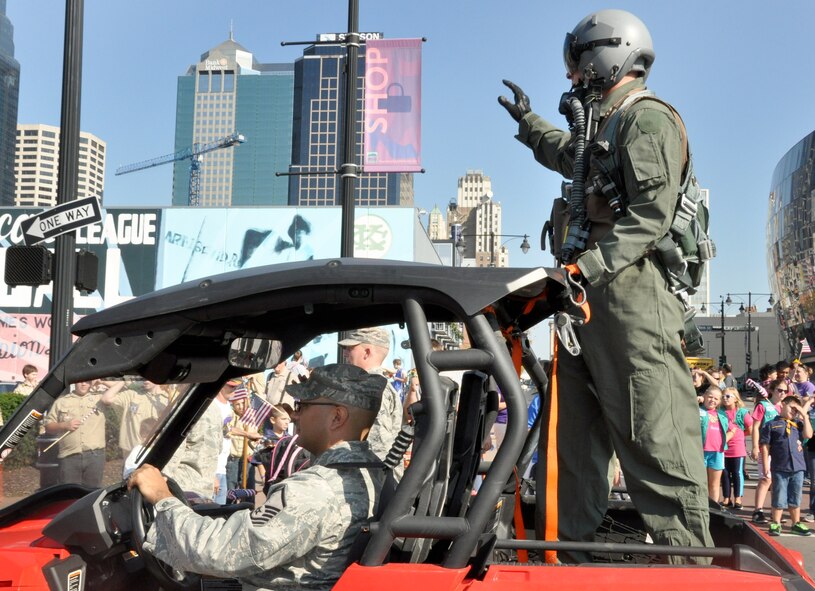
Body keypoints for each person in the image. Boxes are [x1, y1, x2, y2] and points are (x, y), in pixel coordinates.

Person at [498, 8, 712, 560]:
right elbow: (570, 158)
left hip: (631, 296)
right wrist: (529, 123)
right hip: (584, 300)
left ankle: (688, 559)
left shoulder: (648, 119)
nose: (572, 77)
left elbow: (650, 216)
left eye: (578, 65)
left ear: (605, 57)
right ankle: (567, 555)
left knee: (652, 431)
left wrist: (585, 269)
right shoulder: (604, 123)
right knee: (571, 441)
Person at [128, 364, 387, 589]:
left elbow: (219, 552)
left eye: (303, 406)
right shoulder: (378, 475)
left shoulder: (315, 490)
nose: (295, 415)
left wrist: (162, 497)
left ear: (337, 416)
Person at [339, 327, 404, 472]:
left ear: (367, 352)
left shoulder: (369, 388)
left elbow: (377, 445)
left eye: (350, 349)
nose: (345, 354)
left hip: (369, 481)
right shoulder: (381, 384)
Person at [43, 380, 118, 488]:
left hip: (95, 456)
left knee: (91, 494)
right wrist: (64, 425)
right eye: (80, 381)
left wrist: (101, 381)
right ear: (74, 383)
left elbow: (122, 387)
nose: (83, 384)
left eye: (87, 382)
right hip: (69, 456)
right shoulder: (61, 402)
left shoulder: (100, 399)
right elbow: (48, 427)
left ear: (91, 383)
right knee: (69, 494)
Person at [760, 394, 814, 536]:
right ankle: (776, 523)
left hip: (798, 467)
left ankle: (795, 523)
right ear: (783, 404)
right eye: (792, 408)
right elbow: (765, 446)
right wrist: (766, 464)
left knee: (795, 497)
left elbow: (808, 435)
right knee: (779, 496)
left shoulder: (799, 424)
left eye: (796, 410)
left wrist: (804, 415)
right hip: (780, 466)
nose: (794, 412)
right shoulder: (771, 424)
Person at [750, 378, 788, 523]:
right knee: (766, 478)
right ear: (772, 390)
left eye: (785, 391)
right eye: (779, 390)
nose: (782, 393)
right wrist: (754, 446)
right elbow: (755, 427)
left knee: (777, 481)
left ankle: (775, 510)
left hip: (780, 449)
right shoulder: (763, 405)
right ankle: (758, 510)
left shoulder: (785, 407)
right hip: (765, 447)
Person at [104, 379, 170, 457]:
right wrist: (124, 380)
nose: (145, 380)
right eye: (144, 377)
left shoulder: (168, 400)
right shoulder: (132, 395)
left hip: (154, 451)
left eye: (149, 377)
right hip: (130, 451)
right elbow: (106, 399)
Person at [699, 386, 734, 504]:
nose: (712, 400)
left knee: (714, 484)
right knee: (701, 483)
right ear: (704, 396)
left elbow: (733, 429)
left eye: (716, 398)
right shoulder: (697, 410)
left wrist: (723, 441)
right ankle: (701, 507)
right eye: (710, 397)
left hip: (717, 452)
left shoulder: (722, 414)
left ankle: (713, 509)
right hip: (700, 452)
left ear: (719, 401)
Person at [720, 388, 753, 509]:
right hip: (723, 447)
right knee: (724, 473)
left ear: (735, 398)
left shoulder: (742, 412)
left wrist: (738, 434)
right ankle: (726, 498)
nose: (725, 398)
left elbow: (751, 429)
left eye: (728, 396)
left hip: (737, 448)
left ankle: (738, 499)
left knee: (737, 473)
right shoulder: (720, 411)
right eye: (723, 396)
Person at [226, 385, 263, 491]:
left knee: (248, 486)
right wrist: (248, 434)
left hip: (248, 458)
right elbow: (229, 429)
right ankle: (230, 507)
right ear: (233, 405)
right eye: (237, 404)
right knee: (231, 487)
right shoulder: (231, 415)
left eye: (243, 403)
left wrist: (255, 438)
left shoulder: (251, 416)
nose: (241, 406)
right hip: (233, 458)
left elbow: (253, 433)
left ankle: (249, 507)